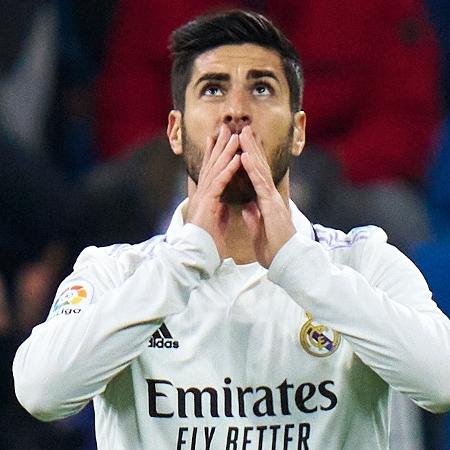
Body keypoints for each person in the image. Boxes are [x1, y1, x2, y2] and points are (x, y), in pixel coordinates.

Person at [13, 10, 450, 449]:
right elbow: (41, 393)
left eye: (261, 89)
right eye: (213, 89)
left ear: (298, 131)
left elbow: (442, 383)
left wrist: (300, 265)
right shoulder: (115, 272)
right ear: (176, 131)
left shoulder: (364, 262)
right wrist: (181, 263)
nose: (237, 111)